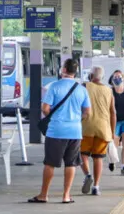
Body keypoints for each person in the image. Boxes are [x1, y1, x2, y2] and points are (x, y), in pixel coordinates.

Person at [29, 59, 91, 204]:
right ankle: (66, 195)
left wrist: (52, 116)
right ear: (75, 71)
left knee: (50, 164)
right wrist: (76, 119)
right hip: (75, 131)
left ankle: (44, 195)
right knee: (71, 164)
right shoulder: (82, 89)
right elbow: (87, 112)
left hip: (56, 131)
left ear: (63, 69)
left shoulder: (54, 87)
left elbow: (45, 108)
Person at [80, 66, 116, 196]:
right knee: (98, 158)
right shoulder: (109, 90)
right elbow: (113, 112)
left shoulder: (84, 86)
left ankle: (88, 175)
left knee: (82, 154)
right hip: (103, 128)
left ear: (90, 75)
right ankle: (96, 186)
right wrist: (112, 131)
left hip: (86, 126)